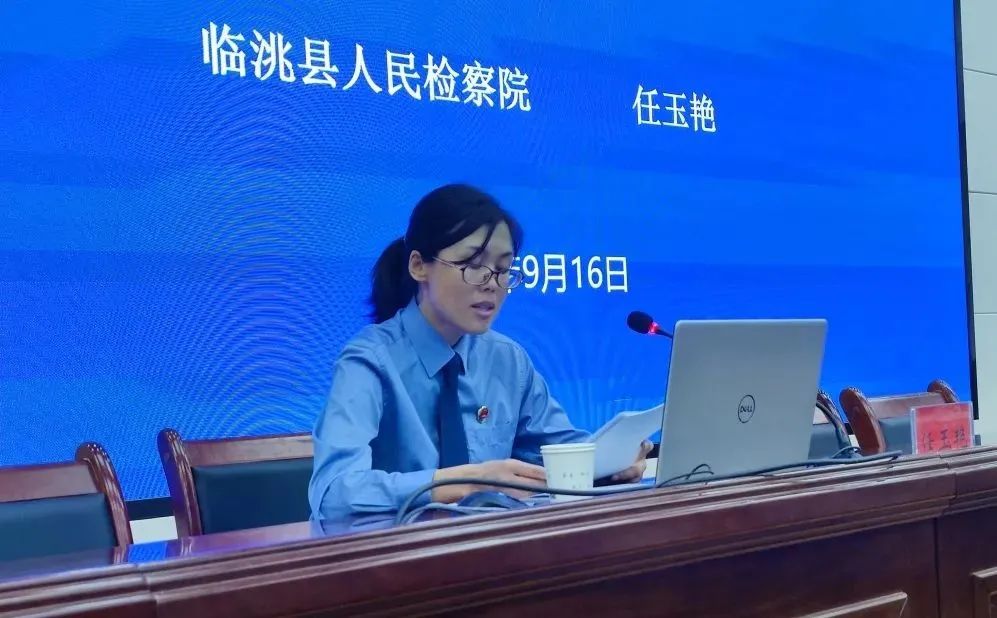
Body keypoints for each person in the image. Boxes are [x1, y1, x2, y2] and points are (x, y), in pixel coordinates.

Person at [309, 184, 651, 520]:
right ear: (418, 266)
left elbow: (565, 452)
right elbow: (333, 493)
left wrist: (614, 462)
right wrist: (467, 481)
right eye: (473, 265)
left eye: (503, 270)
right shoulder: (369, 360)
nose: (492, 284)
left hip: (495, 545)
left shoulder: (507, 360)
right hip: (394, 551)